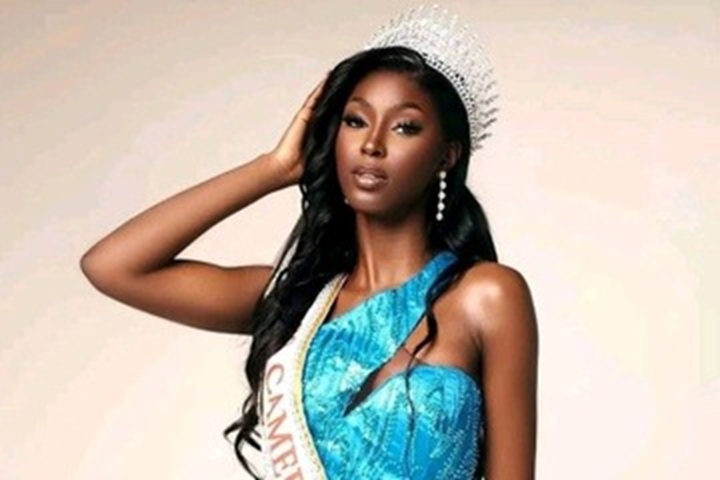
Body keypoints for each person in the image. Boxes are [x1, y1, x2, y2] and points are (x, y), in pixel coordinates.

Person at [80, 5, 538, 479]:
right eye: (355, 121)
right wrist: (273, 167)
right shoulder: (295, 300)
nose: (372, 144)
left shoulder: (487, 296)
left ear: (447, 155)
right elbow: (113, 267)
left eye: (404, 126)